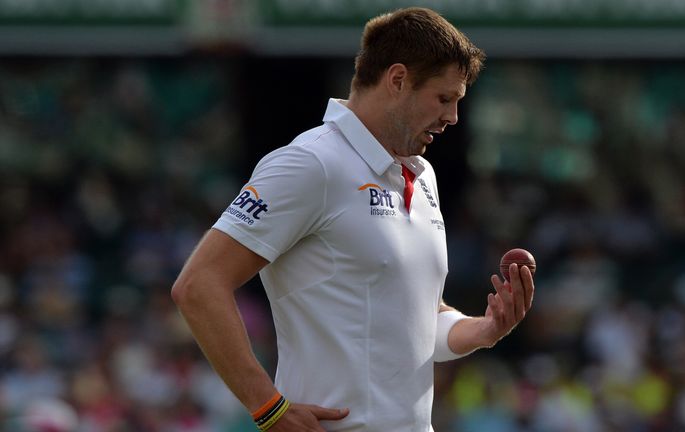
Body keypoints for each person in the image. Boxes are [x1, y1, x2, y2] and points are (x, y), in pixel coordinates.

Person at [171, 7, 535, 432]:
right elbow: (198, 286)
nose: (453, 117)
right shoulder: (311, 163)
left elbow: (415, 318)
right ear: (397, 80)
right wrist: (267, 407)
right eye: (444, 98)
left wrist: (484, 328)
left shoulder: (422, 175)